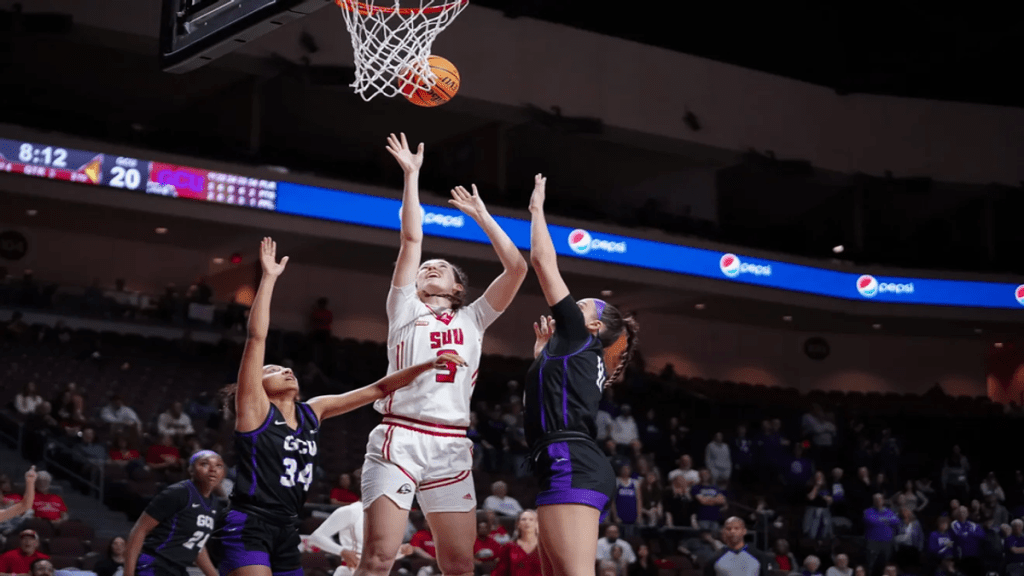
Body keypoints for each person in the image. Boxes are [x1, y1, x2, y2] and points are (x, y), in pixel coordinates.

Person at [208, 238, 462, 576]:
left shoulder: (314, 410)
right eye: (271, 370)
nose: (285, 369)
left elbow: (379, 388)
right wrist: (268, 279)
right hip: (248, 521)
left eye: (286, 367)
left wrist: (428, 364)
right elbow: (257, 338)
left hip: (286, 526)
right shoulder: (254, 410)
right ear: (256, 385)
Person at [355, 135, 527, 576]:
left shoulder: (474, 318)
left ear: (457, 288)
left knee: (459, 565)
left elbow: (517, 269)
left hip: (451, 445)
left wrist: (482, 215)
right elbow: (412, 237)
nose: (430, 266)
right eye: (425, 267)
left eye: (442, 267)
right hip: (400, 438)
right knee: (378, 558)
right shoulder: (404, 307)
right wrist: (411, 176)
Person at [523, 174, 639, 576]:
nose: (574, 305)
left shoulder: (577, 334)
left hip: (572, 459)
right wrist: (541, 357)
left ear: (591, 326)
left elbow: (542, 261)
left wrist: (537, 210)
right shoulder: (574, 351)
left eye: (582, 306)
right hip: (562, 459)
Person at [123, 451, 225, 576]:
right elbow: (139, 530)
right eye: (204, 464)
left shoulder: (214, 503)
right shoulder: (178, 493)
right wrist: (128, 573)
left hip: (178, 569)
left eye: (218, 466)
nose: (213, 469)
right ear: (191, 470)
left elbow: (196, 544)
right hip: (155, 563)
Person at [306, 502, 414, 576]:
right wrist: (342, 551)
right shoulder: (351, 511)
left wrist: (401, 550)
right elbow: (316, 537)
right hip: (351, 571)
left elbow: (380, 554)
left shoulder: (385, 515)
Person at [491, 510, 541, 576]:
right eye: (523, 519)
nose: (527, 522)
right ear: (518, 524)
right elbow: (500, 571)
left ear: (537, 524)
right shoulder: (509, 546)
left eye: (531, 519)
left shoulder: (545, 548)